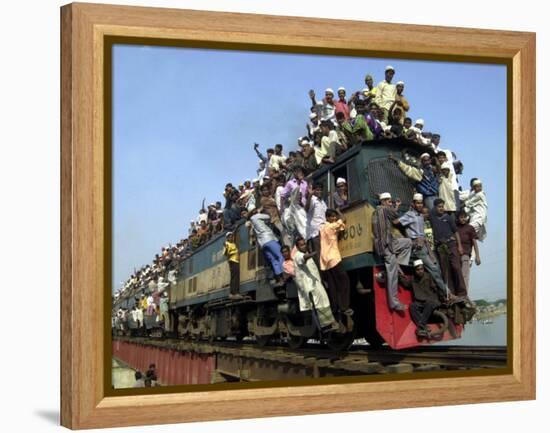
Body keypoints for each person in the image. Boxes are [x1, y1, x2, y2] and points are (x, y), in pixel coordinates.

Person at [398, 193, 451, 300]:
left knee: (437, 269)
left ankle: (442, 293)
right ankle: (447, 294)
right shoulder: (410, 215)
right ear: (413, 204)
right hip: (418, 248)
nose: (420, 205)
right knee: (434, 270)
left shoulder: (420, 216)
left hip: (425, 246)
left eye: (421, 203)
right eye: (417, 203)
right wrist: (410, 239)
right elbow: (397, 222)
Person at [372, 192, 412, 311]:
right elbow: (396, 218)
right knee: (392, 275)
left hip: (387, 243)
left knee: (407, 242)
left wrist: (395, 207)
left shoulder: (376, 211)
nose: (391, 203)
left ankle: (398, 265)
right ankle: (394, 303)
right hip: (386, 246)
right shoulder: (385, 209)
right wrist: (401, 209)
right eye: (389, 201)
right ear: (383, 202)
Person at [293, 237, 339, 331]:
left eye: (304, 244)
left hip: (315, 283)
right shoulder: (298, 255)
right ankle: (327, 325)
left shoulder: (304, 253)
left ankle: (329, 324)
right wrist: (312, 254)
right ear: (297, 247)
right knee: (321, 303)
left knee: (323, 301)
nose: (304, 246)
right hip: (311, 285)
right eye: (301, 245)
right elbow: (303, 258)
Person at [430, 198, 467, 297]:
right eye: (439, 207)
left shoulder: (449, 217)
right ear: (435, 207)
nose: (441, 208)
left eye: (442, 206)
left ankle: (462, 293)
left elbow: (456, 232)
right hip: (441, 247)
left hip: (451, 244)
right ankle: (452, 294)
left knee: (456, 267)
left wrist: (459, 246)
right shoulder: (432, 217)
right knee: (446, 271)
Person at [319, 208, 352, 316]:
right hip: (333, 258)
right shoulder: (331, 226)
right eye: (332, 216)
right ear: (327, 218)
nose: (334, 218)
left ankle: (335, 308)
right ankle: (344, 307)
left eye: (334, 216)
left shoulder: (322, 227)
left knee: (333, 286)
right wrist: (338, 211)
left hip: (325, 260)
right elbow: (343, 219)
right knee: (344, 281)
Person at [399, 260, 442, 338]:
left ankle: (421, 326)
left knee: (429, 304)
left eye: (421, 269)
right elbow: (406, 284)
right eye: (418, 269)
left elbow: (436, 288)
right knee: (412, 306)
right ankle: (423, 327)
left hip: (431, 300)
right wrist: (399, 276)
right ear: (415, 270)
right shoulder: (413, 279)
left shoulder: (429, 276)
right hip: (420, 302)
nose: (420, 271)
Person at [249, 209, 285, 285]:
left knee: (273, 260)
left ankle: (280, 279)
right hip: (269, 239)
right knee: (280, 255)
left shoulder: (252, 223)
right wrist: (260, 211)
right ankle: (285, 275)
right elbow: (268, 216)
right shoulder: (256, 217)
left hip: (262, 243)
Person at [456, 210, 481, 293]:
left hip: (466, 254)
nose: (463, 219)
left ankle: (464, 294)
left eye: (464, 217)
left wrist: (477, 256)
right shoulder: (455, 228)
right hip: (456, 255)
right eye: (461, 217)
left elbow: (474, 243)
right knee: (457, 276)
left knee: (465, 275)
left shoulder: (470, 228)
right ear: (458, 218)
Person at [305, 182, 327, 269]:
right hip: (316, 233)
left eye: (321, 190)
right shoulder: (313, 200)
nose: (319, 191)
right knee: (319, 258)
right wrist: (310, 196)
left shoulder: (322, 202)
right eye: (317, 190)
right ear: (314, 191)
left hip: (324, 231)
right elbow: (306, 209)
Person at [223, 232, 241, 299]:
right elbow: (225, 253)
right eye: (229, 236)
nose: (231, 237)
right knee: (234, 277)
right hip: (232, 261)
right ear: (227, 238)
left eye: (232, 236)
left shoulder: (233, 244)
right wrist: (228, 249)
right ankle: (233, 293)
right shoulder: (227, 244)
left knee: (236, 277)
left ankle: (236, 292)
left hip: (236, 261)